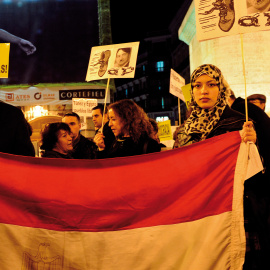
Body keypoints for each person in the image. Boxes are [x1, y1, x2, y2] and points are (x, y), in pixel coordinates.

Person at [173, 64, 265, 270]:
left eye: (211, 84)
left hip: (232, 211)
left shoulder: (240, 124)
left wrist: (253, 144)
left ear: (221, 89)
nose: (203, 90)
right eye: (197, 85)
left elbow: (255, 173)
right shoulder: (183, 131)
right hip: (195, 213)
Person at [94, 99, 161, 158]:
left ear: (127, 119)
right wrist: (101, 149)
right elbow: (106, 169)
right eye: (109, 119)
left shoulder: (149, 145)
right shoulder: (115, 143)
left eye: (113, 119)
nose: (109, 124)